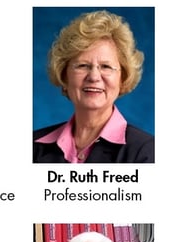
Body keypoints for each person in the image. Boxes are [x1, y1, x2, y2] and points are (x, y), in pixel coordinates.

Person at [33, 10, 153, 163]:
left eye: (106, 66)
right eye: (82, 65)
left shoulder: (146, 152)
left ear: (122, 78)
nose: (94, 77)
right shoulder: (31, 147)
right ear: (64, 75)